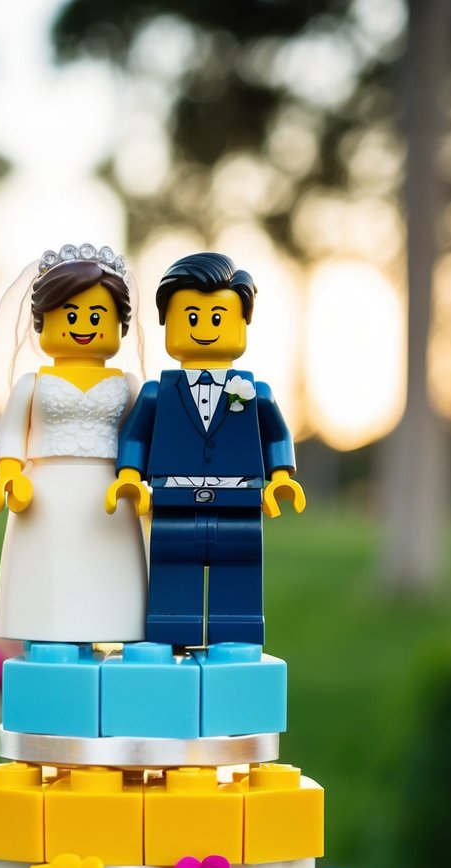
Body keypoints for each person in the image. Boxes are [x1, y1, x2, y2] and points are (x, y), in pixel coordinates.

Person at [0, 243, 147, 644]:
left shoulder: (128, 385)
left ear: (119, 325)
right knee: (51, 563)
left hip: (110, 490)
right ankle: (47, 634)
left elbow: (142, 435)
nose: (83, 324)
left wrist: (141, 479)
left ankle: (114, 628)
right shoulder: (33, 384)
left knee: (109, 563)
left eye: (97, 315)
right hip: (45, 490)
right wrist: (9, 474)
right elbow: (10, 435)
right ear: (43, 322)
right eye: (70, 314)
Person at [106, 251, 305, 648]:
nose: (205, 327)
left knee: (240, 568)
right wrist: (129, 476)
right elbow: (135, 436)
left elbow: (277, 434)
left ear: (242, 323)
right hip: (173, 501)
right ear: (167, 322)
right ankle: (170, 633)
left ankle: (236, 637)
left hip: (240, 502)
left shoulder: (253, 391)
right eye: (191, 317)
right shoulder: (157, 392)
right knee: (171, 567)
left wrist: (282, 477)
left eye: (218, 318)